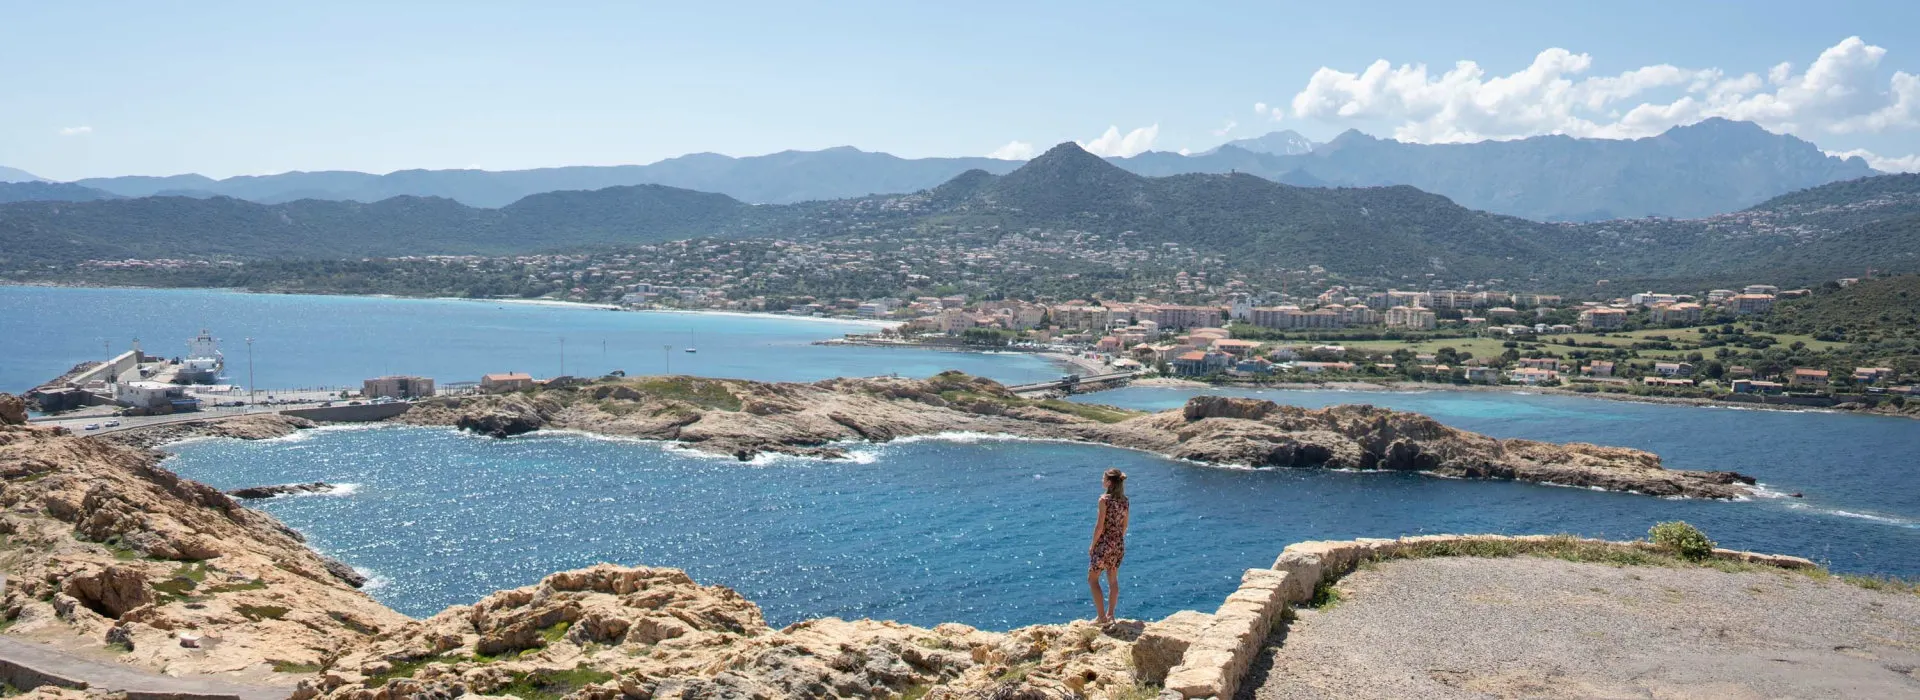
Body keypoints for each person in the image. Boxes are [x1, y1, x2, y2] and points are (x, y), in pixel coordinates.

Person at [1086, 468, 1130, 624]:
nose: (1101, 481)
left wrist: (1093, 545)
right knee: (1112, 579)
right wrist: (1117, 540)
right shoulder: (1125, 501)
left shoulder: (1104, 500)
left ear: (1109, 482)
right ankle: (1111, 615)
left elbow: (1100, 527)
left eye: (1103, 478)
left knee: (1092, 579)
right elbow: (1125, 526)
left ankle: (1101, 617)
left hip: (1104, 543)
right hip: (1118, 543)